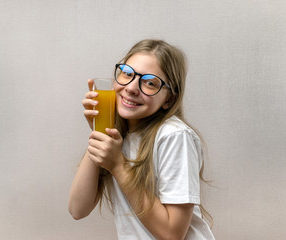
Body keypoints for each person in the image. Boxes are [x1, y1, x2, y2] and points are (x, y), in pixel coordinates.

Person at [68, 39, 215, 240]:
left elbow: (172, 235)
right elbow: (78, 209)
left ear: (169, 99)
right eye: (127, 74)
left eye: (149, 82)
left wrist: (119, 166)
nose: (131, 88)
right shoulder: (119, 136)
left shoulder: (174, 136)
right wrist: (99, 132)